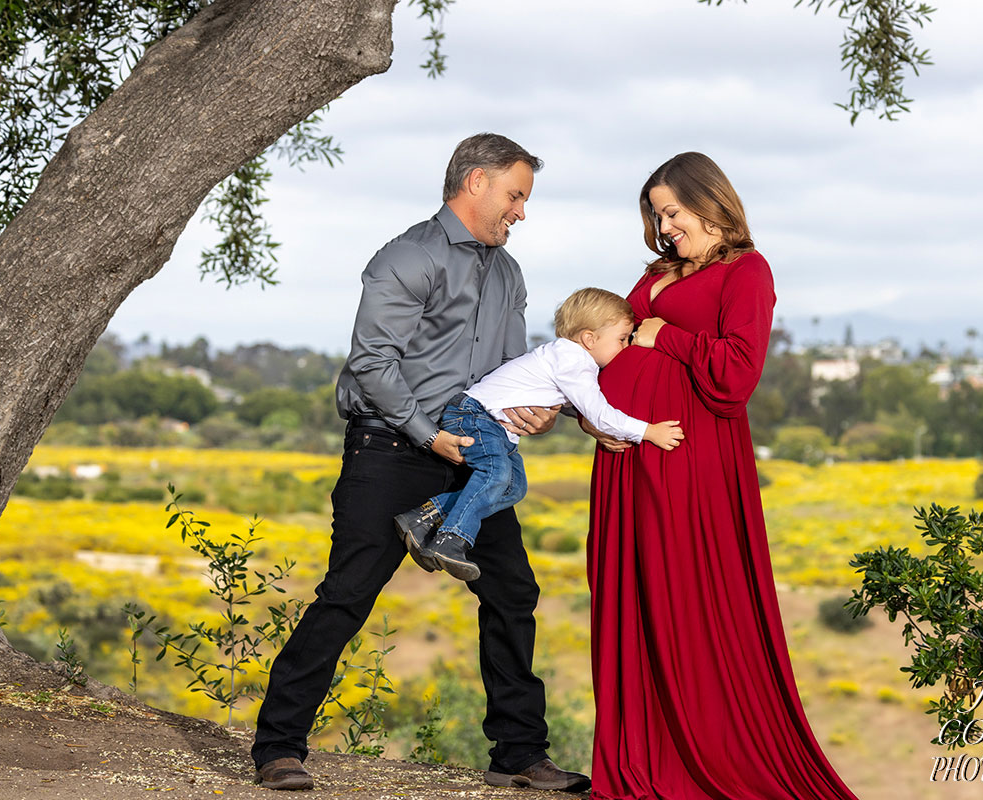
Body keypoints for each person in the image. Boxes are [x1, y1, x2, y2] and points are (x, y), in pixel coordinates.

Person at [251, 133, 591, 794]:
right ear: (476, 183)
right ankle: (278, 747)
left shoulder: (508, 273)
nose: (521, 211)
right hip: (392, 449)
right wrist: (426, 434)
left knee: (512, 591)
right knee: (348, 595)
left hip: (472, 453)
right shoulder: (407, 258)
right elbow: (373, 364)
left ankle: (518, 754)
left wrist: (538, 408)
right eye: (516, 195)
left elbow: (509, 372)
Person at [585, 152, 861, 799]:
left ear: (710, 202)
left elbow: (738, 375)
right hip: (628, 458)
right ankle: (638, 760)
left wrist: (666, 337)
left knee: (687, 598)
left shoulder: (749, 272)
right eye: (657, 215)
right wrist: (593, 415)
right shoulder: (656, 272)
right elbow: (613, 343)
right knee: (630, 594)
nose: (666, 226)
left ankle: (701, 760)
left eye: (673, 212)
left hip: (692, 460)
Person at [395, 287, 684, 582]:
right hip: (475, 415)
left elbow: (575, 406)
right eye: (622, 339)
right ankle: (451, 540)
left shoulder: (567, 358)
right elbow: (598, 413)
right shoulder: (574, 362)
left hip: (493, 427)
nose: (625, 347)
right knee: (495, 476)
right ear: (589, 338)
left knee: (513, 487)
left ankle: (423, 518)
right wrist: (647, 431)